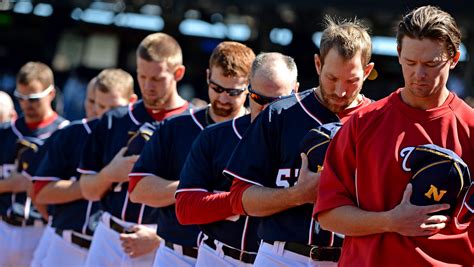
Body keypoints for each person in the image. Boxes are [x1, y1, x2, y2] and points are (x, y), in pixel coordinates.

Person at [314, 6, 474, 266]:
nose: (419, 74)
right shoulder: (362, 123)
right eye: (410, 63)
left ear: (454, 58)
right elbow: (329, 214)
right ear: (398, 54)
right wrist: (391, 221)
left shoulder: (469, 128)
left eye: (431, 64)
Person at [225, 17, 374, 266]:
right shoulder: (279, 114)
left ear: (367, 71)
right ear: (317, 64)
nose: (340, 90)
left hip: (347, 257)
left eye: (352, 81)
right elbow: (239, 199)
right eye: (332, 78)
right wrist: (298, 194)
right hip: (281, 255)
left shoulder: (377, 121)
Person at [128, 41, 255, 266]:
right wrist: (195, 192)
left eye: (233, 92)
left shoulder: (257, 133)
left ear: (249, 87)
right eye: (217, 88)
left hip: (229, 257)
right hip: (177, 252)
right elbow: (138, 189)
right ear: (207, 76)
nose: (223, 98)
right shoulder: (177, 126)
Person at [78, 33, 190, 267]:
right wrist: (110, 173)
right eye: (142, 76)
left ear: (178, 73)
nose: (148, 86)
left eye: (157, 78)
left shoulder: (195, 125)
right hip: (108, 234)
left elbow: (200, 198)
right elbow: (87, 189)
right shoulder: (114, 119)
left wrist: (159, 236)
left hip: (157, 242)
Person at [176, 52, 298, 266]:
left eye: (278, 101)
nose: (267, 109)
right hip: (218, 255)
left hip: (277, 259)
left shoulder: (305, 141)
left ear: (295, 91)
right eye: (259, 99)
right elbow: (185, 209)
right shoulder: (215, 136)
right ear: (249, 88)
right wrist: (243, 200)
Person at [31, 69, 139, 266]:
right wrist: (97, 183)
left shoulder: (141, 139)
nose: (107, 114)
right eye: (99, 105)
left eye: (114, 107)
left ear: (132, 102)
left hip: (118, 249)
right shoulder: (72, 134)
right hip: (68, 244)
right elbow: (39, 192)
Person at [0, 61, 68, 267]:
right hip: (3, 224)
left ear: (51, 94)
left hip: (41, 229)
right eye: (21, 98)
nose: (26, 104)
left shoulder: (66, 133)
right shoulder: (6, 131)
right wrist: (8, 184)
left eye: (33, 99)